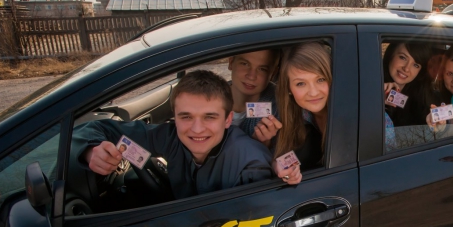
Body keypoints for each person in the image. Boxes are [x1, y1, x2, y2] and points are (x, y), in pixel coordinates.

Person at [74, 70, 275, 199]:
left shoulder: (251, 164)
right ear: (174, 117)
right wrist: (91, 150)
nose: (197, 129)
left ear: (228, 119)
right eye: (186, 117)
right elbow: (96, 128)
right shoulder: (170, 137)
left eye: (209, 117)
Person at [254, 41, 331, 185]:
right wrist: (281, 168)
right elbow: (282, 156)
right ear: (289, 88)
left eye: (321, 79)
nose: (313, 92)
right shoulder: (296, 115)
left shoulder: (356, 112)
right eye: (301, 83)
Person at [383, 41, 437, 126]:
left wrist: (435, 125)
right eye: (403, 58)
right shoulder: (367, 85)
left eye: (416, 65)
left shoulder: (423, 97)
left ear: (420, 71)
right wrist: (376, 99)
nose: (406, 68)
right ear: (391, 55)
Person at [227, 49, 278, 137]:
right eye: (245, 64)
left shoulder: (280, 107)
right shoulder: (208, 97)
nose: (251, 76)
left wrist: (265, 144)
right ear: (231, 62)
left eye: (262, 69)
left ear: (273, 74)